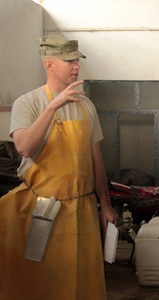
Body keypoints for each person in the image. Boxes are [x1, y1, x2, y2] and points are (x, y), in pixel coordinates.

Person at [0, 35, 118, 299]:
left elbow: (95, 156)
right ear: (49, 64)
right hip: (43, 211)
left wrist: (105, 203)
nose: (75, 66)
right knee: (43, 278)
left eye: (77, 60)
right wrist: (52, 107)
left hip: (82, 210)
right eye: (69, 61)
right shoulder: (27, 104)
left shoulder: (86, 106)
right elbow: (24, 148)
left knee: (83, 279)